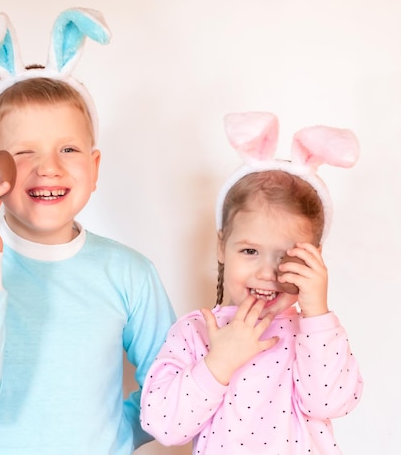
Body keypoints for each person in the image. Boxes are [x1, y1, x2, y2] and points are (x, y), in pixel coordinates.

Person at [0, 8, 176, 455]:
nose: (49, 167)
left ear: (95, 167)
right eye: (24, 151)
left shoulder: (129, 273)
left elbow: (173, 389)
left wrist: (116, 432)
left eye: (68, 148)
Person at [140, 112, 363, 454]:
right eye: (249, 251)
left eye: (287, 256)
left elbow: (330, 403)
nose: (267, 273)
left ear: (314, 258)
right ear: (221, 246)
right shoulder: (197, 331)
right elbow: (162, 425)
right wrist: (219, 363)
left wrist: (317, 312)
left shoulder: (312, 334)